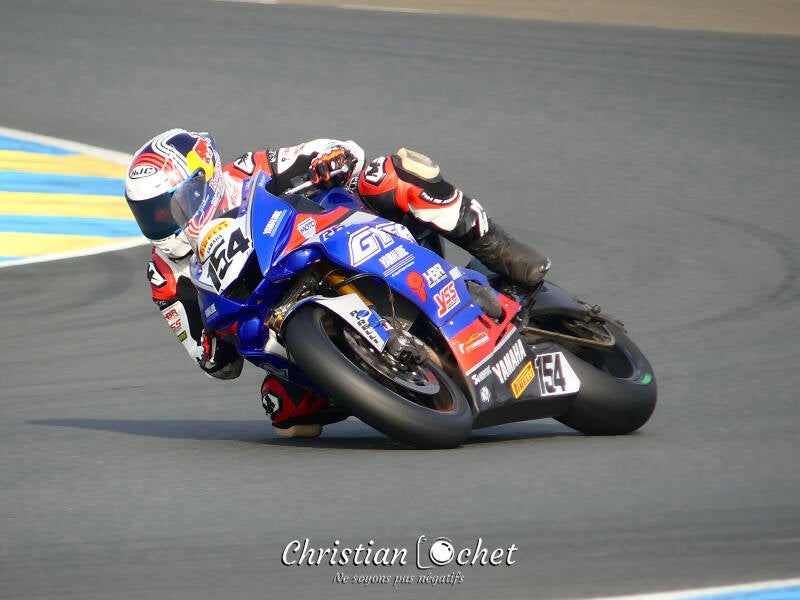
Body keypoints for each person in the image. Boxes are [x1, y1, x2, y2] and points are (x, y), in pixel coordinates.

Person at [124, 128, 550, 438]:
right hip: (276, 317)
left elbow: (342, 153)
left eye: (169, 207)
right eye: (152, 216)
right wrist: (211, 342)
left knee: (387, 175)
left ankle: (504, 254)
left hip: (341, 238)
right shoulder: (164, 275)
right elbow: (219, 365)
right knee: (286, 413)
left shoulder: (248, 172)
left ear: (205, 178)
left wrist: (329, 162)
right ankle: (382, 382)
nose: (165, 222)